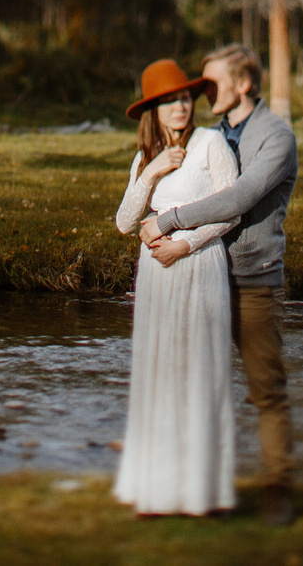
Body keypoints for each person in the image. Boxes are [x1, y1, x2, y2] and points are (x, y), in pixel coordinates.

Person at [140, 43, 298, 528]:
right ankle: (186, 488)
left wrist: (171, 221)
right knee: (192, 386)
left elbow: (242, 196)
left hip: (251, 281)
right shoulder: (213, 134)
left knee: (265, 390)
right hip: (202, 276)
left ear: (243, 85)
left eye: (210, 84)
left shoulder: (276, 137)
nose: (201, 93)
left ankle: (277, 490)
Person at [111, 58, 239, 516]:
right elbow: (125, 223)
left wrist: (183, 246)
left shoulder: (212, 144)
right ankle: (158, 490)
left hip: (199, 266)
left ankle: (204, 492)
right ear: (154, 111)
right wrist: (151, 172)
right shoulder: (145, 158)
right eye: (169, 101)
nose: (181, 107)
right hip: (156, 279)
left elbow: (230, 210)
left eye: (184, 98)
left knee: (200, 369)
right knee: (160, 370)